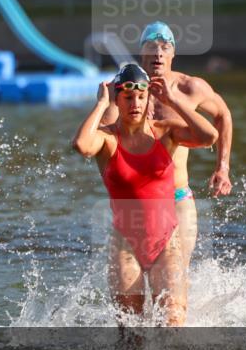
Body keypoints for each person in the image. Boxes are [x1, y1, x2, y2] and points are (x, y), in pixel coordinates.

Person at [73, 64, 218, 326]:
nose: (135, 103)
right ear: (117, 99)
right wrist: (100, 105)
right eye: (128, 98)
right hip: (126, 245)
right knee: (131, 335)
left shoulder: (165, 132)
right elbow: (81, 145)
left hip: (166, 243)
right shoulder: (107, 140)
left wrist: (174, 100)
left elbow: (209, 136)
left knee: (173, 324)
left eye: (141, 96)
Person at [102, 22, 234, 275]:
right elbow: (103, 137)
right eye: (151, 47)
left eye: (165, 47)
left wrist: (223, 167)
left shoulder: (189, 88)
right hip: (134, 204)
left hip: (177, 198)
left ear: (173, 54)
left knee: (173, 275)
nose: (158, 53)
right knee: (133, 280)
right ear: (142, 52)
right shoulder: (127, 91)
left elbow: (223, 115)